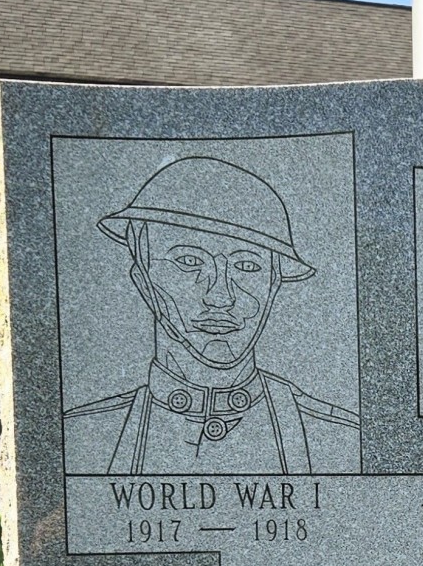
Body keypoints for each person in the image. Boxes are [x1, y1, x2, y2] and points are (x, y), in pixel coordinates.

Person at [64, 155, 359, 475]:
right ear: (143, 279)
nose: (220, 296)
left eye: (247, 266)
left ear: (274, 284)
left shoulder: (338, 436)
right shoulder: (81, 436)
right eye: (189, 261)